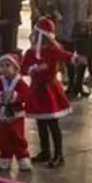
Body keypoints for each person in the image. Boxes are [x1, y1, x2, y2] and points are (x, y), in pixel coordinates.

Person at [24, 17, 73, 168]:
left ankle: (59, 154)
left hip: (49, 90)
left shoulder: (52, 51)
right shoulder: (31, 52)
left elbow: (65, 56)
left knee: (52, 123)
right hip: (38, 90)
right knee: (41, 122)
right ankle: (45, 151)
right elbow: (23, 68)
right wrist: (31, 69)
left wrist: (75, 58)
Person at [50, 0, 92, 99]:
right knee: (69, 58)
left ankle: (78, 84)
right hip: (66, 30)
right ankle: (71, 85)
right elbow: (51, 4)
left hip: (83, 29)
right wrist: (56, 13)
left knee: (83, 58)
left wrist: (91, 17)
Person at [0, 53, 32, 174]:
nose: (4, 68)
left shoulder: (20, 83)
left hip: (16, 115)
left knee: (18, 137)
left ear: (16, 67)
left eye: (8, 65)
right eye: (1, 65)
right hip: (1, 115)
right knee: (3, 138)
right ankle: (5, 157)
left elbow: (26, 95)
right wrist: (0, 96)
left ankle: (22, 157)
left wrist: (15, 96)